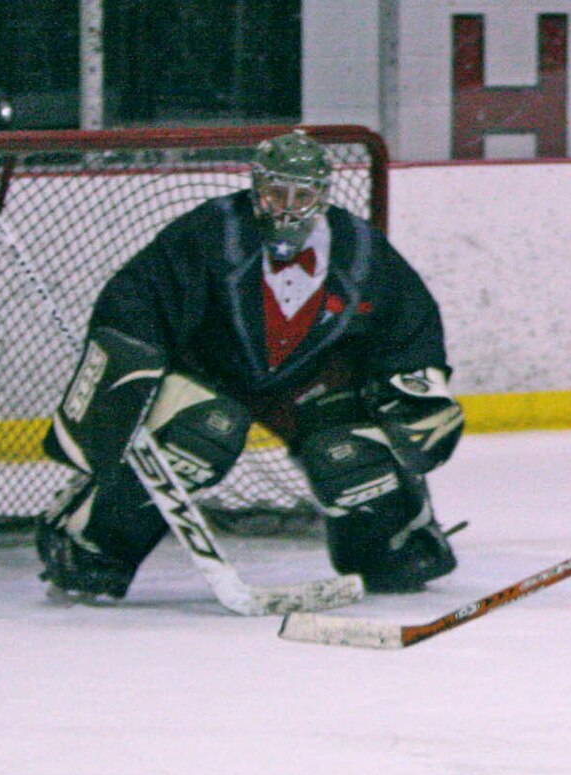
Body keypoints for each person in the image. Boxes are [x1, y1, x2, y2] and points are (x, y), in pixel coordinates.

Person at [37, 129, 463, 601]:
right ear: (255, 187)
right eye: (275, 192)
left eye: (302, 194)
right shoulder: (213, 230)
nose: (287, 206)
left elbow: (407, 322)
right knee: (199, 435)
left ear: (323, 195)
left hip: (307, 385)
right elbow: (139, 294)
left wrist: (419, 390)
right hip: (212, 375)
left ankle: (396, 543)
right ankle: (91, 543)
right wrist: (131, 358)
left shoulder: (360, 249)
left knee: (349, 458)